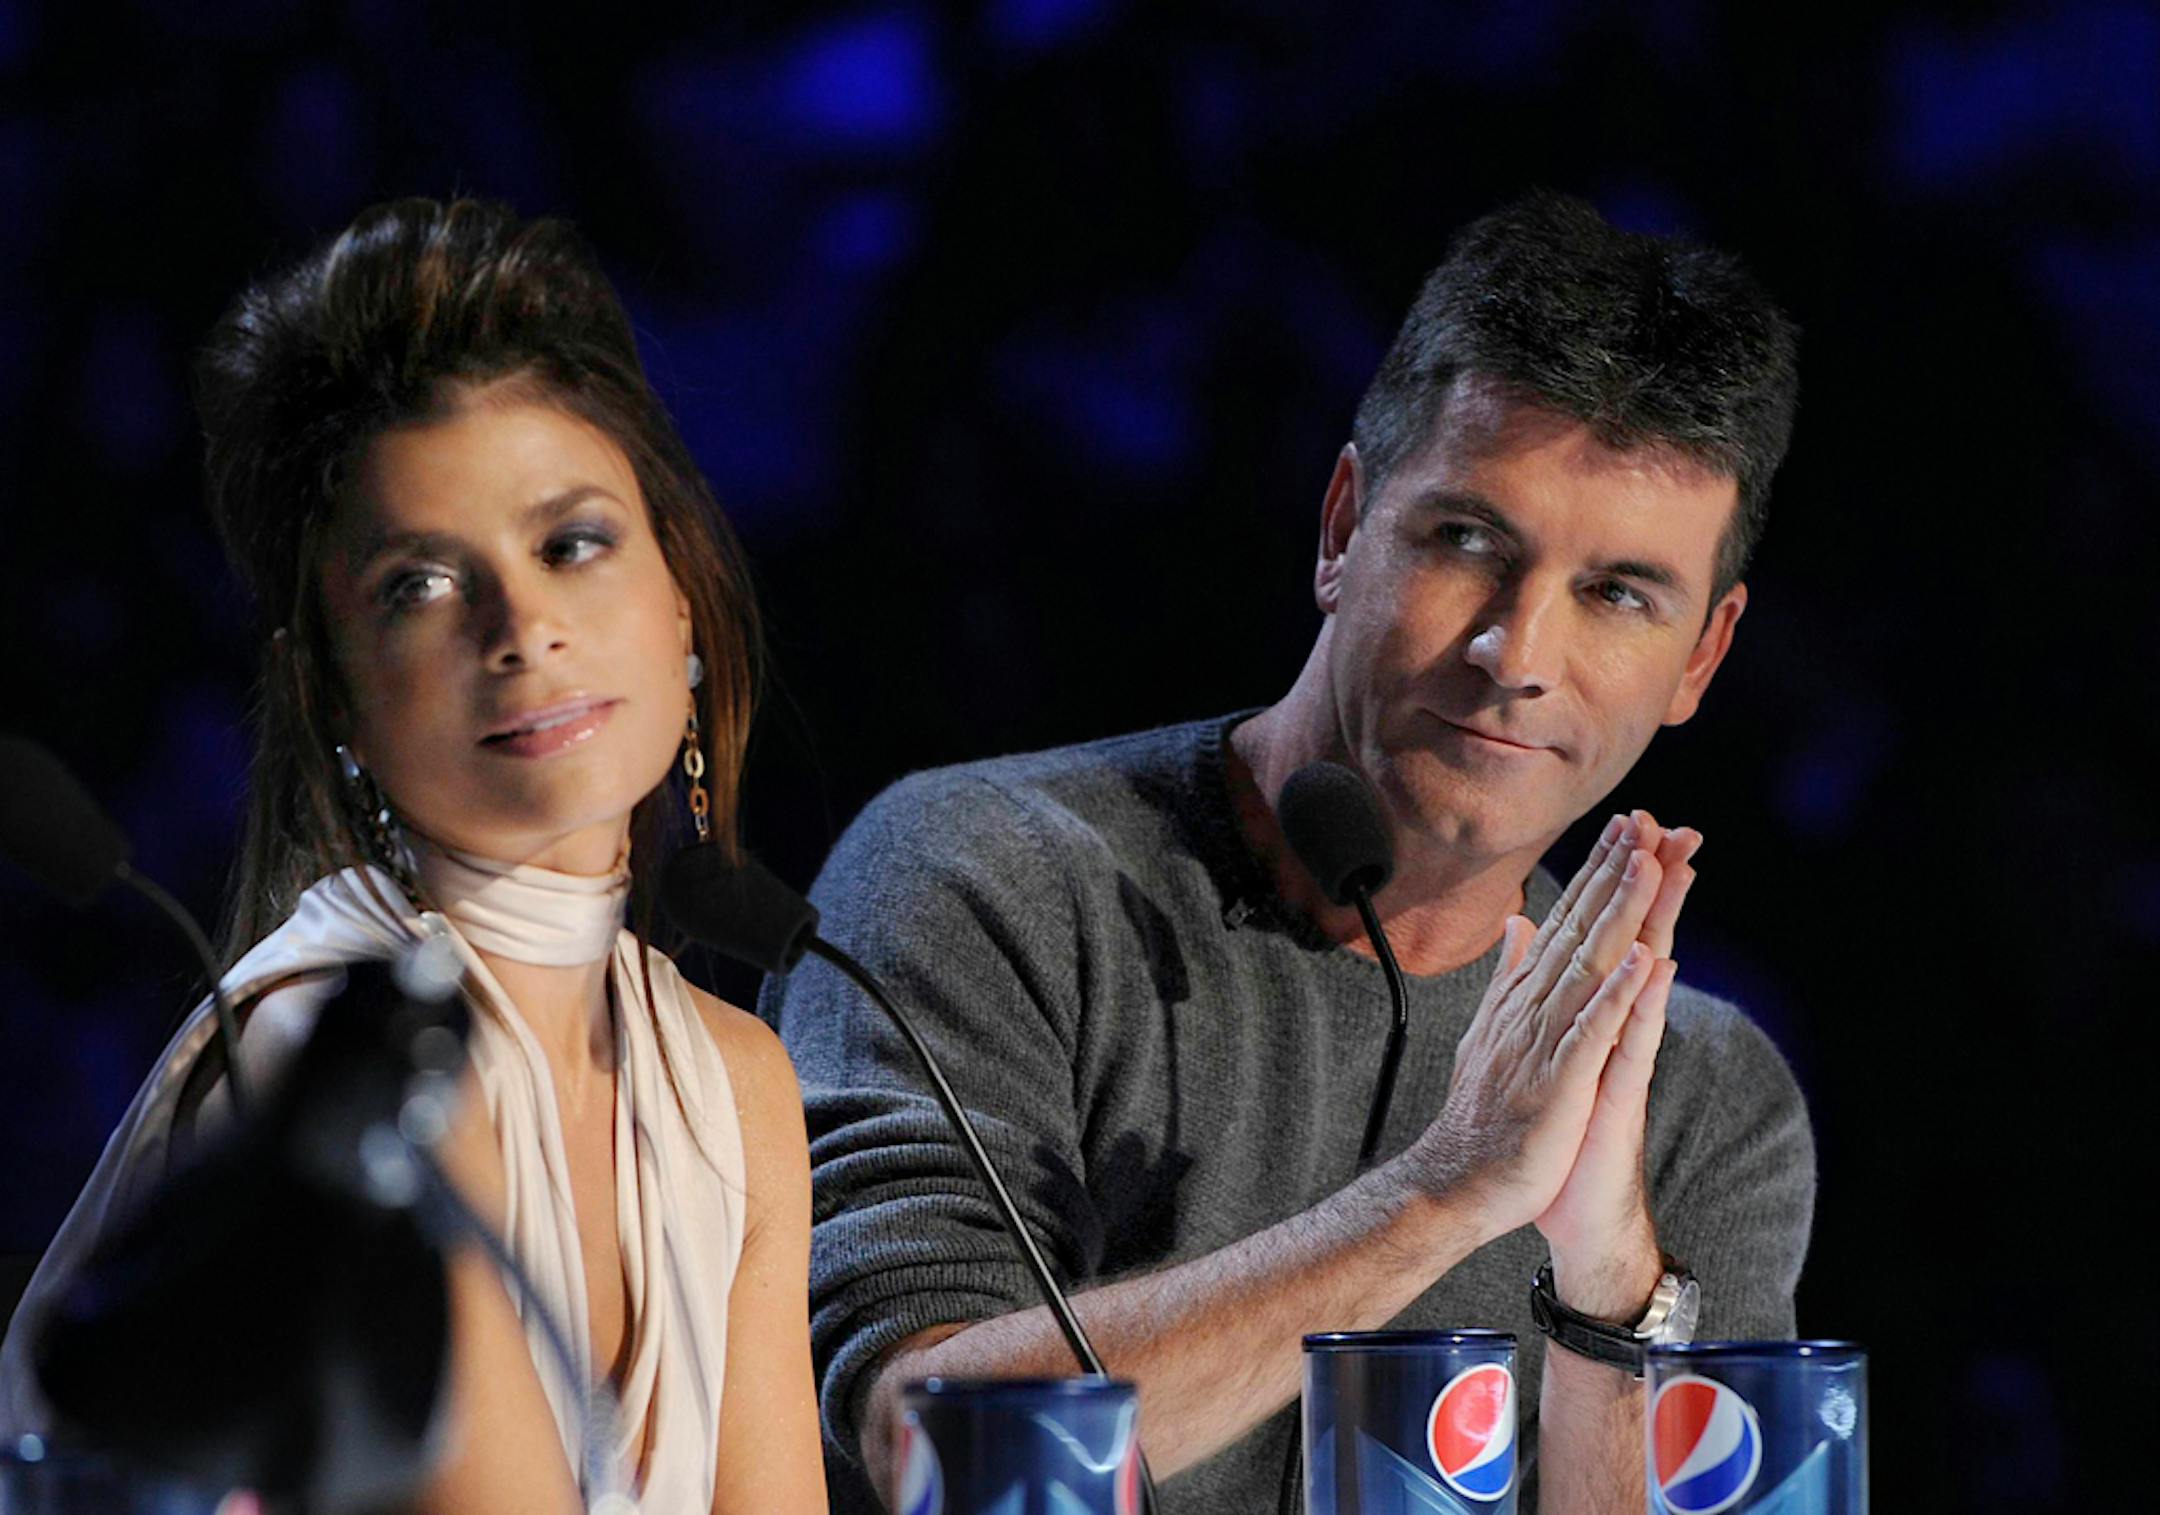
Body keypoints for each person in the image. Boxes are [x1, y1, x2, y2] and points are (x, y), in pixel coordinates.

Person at [766, 191, 1813, 1513]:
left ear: (1702, 658)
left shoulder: (1703, 1094)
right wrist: (1447, 1190)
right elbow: (932, 1449)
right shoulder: (984, 873)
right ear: (1341, 528)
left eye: (1616, 594)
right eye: (1467, 542)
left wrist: (1608, 1281)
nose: (1516, 657)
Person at [0, 198, 828, 1513]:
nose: (521, 625)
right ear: (335, 699)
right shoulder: (328, 1059)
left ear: (679, 594)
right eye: (419, 585)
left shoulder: (737, 1084)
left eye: (571, 544)